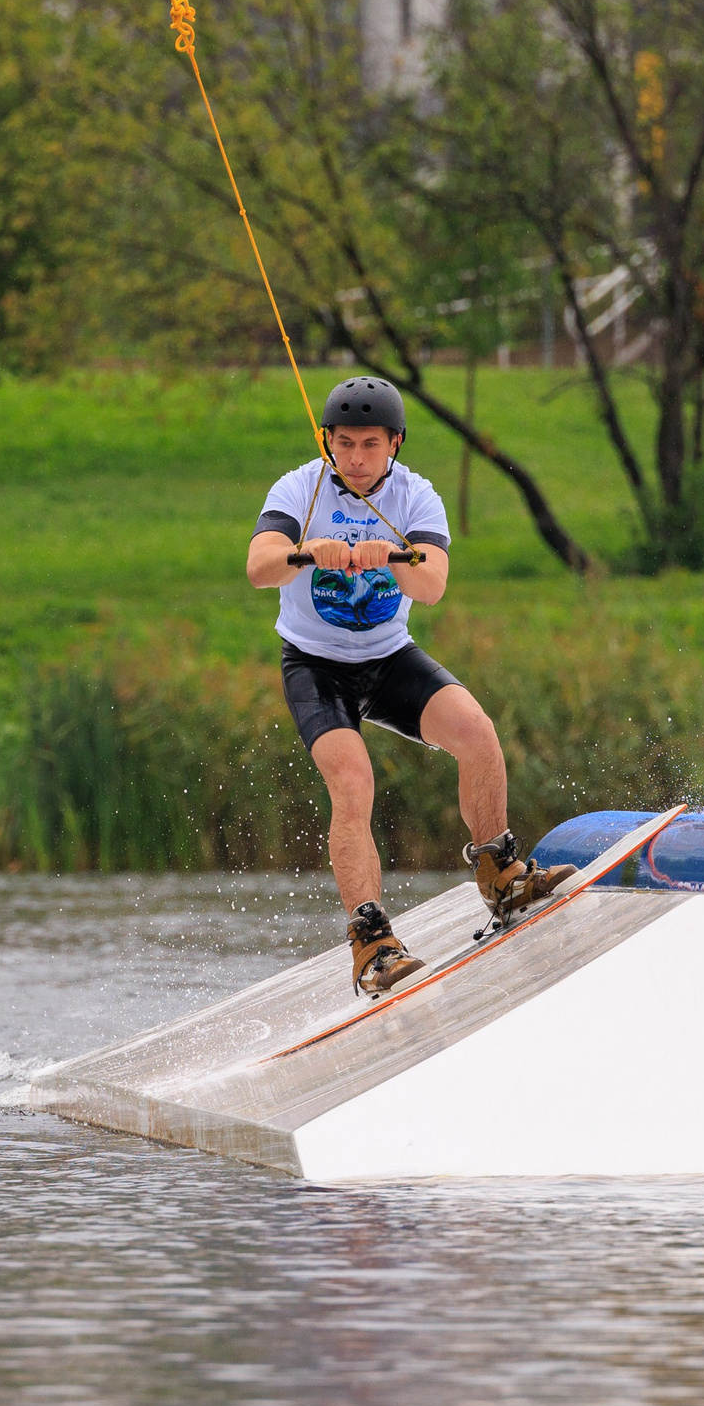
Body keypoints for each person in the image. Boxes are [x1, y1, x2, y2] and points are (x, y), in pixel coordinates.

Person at [247, 376, 573, 996]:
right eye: (344, 444)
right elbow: (259, 566)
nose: (358, 459)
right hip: (316, 668)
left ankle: (499, 873)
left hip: (389, 658)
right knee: (353, 780)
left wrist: (390, 556)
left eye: (371, 444)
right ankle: (371, 941)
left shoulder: (415, 496)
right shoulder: (298, 489)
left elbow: (434, 583)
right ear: (327, 441)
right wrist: (309, 552)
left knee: (477, 733)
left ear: (395, 442)